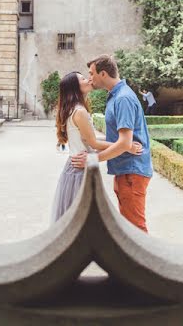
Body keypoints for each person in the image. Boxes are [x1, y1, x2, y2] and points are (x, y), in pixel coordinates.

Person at [72, 55, 153, 232]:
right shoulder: (115, 96)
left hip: (132, 171)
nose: (90, 78)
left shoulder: (122, 98)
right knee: (128, 228)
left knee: (135, 229)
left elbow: (124, 143)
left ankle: (139, 261)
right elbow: (119, 142)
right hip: (124, 170)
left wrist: (93, 160)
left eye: (91, 73)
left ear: (103, 73)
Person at [51, 71, 142, 222]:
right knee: (82, 220)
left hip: (74, 166)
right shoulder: (80, 111)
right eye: (83, 79)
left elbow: (87, 140)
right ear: (75, 86)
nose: (88, 80)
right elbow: (93, 143)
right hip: (80, 168)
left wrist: (117, 141)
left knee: (75, 220)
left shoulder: (73, 109)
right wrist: (127, 146)